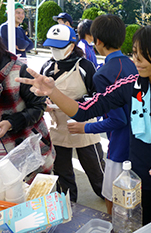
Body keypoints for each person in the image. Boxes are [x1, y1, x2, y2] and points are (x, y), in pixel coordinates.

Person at [16, 24, 151, 225]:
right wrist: (52, 91)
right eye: (134, 54)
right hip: (139, 182)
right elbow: (83, 111)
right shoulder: (129, 86)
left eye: (144, 55)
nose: (136, 61)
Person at [67, 15, 138, 214]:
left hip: (119, 146)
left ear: (97, 41)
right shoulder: (134, 65)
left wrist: (84, 127)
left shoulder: (104, 73)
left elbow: (117, 119)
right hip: (139, 142)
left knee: (112, 199)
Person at [40, 24, 105, 202]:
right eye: (52, 47)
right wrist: (43, 103)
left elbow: (97, 97)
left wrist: (76, 104)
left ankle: (107, 197)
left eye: (59, 47)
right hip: (58, 125)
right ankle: (68, 204)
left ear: (71, 45)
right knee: (62, 170)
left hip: (83, 125)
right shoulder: (47, 67)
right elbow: (38, 95)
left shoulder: (85, 66)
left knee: (95, 167)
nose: (55, 51)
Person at [0, 38, 55, 184]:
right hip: (3, 159)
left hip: (29, 149)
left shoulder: (18, 70)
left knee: (37, 196)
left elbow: (39, 106)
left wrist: (11, 122)